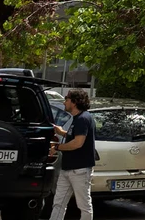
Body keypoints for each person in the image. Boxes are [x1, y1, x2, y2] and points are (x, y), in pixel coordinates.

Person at [48, 89, 96, 220]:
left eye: (66, 99)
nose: (64, 102)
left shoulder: (83, 118)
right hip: (68, 168)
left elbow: (78, 143)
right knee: (58, 203)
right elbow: (74, 136)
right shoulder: (77, 119)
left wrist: (57, 147)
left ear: (74, 102)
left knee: (84, 205)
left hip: (80, 169)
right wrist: (61, 132)